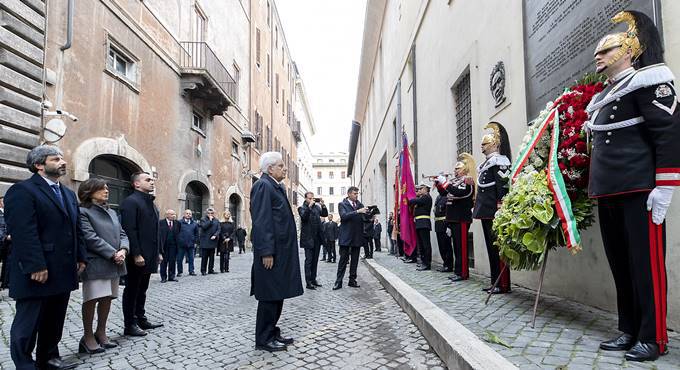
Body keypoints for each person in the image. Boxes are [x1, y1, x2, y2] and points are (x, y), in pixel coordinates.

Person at [587, 11, 679, 362]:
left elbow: (668, 133)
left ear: (629, 50)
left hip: (640, 190)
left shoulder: (647, 80)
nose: (599, 55)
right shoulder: (604, 96)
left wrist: (665, 186)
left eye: (607, 49)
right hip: (610, 191)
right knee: (621, 264)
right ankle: (628, 328)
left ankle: (653, 337)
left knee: (645, 265)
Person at [5, 145, 86, 370]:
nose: (62, 162)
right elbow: (23, 232)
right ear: (39, 165)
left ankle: (49, 358)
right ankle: (24, 364)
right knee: (28, 322)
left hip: (63, 268)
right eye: (55, 159)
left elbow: (76, 229)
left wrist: (81, 257)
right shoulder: (22, 190)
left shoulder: (68, 194)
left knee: (54, 319)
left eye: (62, 157)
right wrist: (35, 265)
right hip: (38, 270)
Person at [250, 152, 303, 352]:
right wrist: (266, 252)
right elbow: (262, 221)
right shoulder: (263, 185)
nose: (285, 168)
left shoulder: (273, 185)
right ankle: (263, 339)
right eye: (281, 165)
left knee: (277, 293)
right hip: (271, 253)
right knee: (269, 296)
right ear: (270, 168)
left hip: (280, 251)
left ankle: (272, 331)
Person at [78, 178, 129, 354]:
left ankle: (101, 332)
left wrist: (123, 250)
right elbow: (90, 237)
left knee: (107, 298)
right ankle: (87, 337)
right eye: (102, 189)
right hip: (97, 262)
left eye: (107, 188)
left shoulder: (112, 212)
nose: (106, 191)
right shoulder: (83, 211)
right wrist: (112, 253)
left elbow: (123, 233)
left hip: (115, 262)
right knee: (92, 299)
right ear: (89, 191)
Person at [120, 172, 163, 337]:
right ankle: (129, 324)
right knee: (132, 289)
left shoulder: (150, 203)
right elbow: (130, 230)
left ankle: (140, 318)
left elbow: (155, 230)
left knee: (143, 289)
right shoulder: (131, 202)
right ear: (136, 184)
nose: (152, 182)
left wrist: (159, 251)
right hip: (137, 256)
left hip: (150, 254)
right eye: (148, 180)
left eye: (152, 180)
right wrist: (136, 254)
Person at [473, 122, 511, 294]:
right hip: (486, 211)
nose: (482, 146)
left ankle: (502, 283)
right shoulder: (487, 163)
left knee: (497, 247)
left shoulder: (499, 161)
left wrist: (501, 207)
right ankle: (495, 281)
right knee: (491, 247)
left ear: (494, 144)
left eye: (485, 143)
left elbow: (502, 186)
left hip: (494, 211)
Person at [437, 153, 476, 282]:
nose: (455, 171)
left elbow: (462, 193)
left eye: (457, 168)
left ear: (464, 169)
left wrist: (446, 184)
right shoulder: (454, 181)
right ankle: (457, 271)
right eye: (455, 168)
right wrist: (439, 183)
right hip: (453, 218)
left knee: (461, 247)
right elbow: (444, 193)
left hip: (461, 218)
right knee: (456, 247)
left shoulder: (467, 180)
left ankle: (463, 273)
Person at [333, 187, 368, 290]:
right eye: (354, 193)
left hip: (357, 236)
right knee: (343, 260)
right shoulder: (342, 204)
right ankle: (338, 282)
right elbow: (344, 217)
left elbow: (364, 219)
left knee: (355, 261)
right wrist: (357, 211)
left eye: (357, 193)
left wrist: (369, 214)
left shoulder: (360, 205)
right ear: (349, 194)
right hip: (346, 237)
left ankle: (352, 280)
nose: (356, 195)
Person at [298, 192, 328, 290]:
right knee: (309, 261)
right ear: (305, 198)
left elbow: (325, 214)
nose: (311, 200)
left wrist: (323, 205)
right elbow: (304, 217)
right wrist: (309, 207)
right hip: (308, 239)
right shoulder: (302, 208)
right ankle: (308, 282)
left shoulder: (317, 207)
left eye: (312, 198)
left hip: (317, 239)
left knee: (315, 261)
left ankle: (313, 279)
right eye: (309, 198)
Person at [409, 184, 433, 271]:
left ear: (426, 189)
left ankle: (427, 263)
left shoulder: (426, 197)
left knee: (425, 244)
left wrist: (411, 196)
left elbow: (412, 201)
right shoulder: (421, 198)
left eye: (421, 189)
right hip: (419, 223)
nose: (419, 190)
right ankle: (423, 262)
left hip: (424, 223)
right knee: (421, 245)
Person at [432, 178, 453, 272]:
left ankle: (449, 265)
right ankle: (445, 263)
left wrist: (449, 226)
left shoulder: (447, 196)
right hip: (438, 224)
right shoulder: (438, 197)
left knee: (447, 246)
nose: (438, 188)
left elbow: (449, 212)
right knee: (441, 246)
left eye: (440, 186)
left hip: (445, 223)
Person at [158, 209, 180, 283]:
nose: (174, 216)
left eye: (174, 214)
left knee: (172, 261)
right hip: (164, 246)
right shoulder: (161, 223)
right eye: (172, 214)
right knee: (163, 262)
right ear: (167, 215)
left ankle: (171, 276)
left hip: (173, 246)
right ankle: (163, 277)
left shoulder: (177, 223)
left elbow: (178, 233)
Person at [177, 209, 199, 277]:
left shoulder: (194, 223)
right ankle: (179, 272)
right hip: (181, 244)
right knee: (179, 259)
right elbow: (176, 233)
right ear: (184, 214)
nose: (188, 215)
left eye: (190, 214)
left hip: (191, 244)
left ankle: (191, 271)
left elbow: (196, 234)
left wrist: (195, 242)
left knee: (191, 259)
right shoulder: (179, 222)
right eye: (187, 213)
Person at [199, 208, 220, 275]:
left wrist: (215, 235)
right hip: (205, 241)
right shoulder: (203, 219)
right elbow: (204, 227)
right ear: (207, 213)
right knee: (204, 257)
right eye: (209, 213)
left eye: (212, 213)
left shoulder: (216, 220)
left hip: (213, 241)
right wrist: (210, 221)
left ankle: (211, 269)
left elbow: (219, 229)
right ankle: (203, 270)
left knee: (212, 257)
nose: (210, 215)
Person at [0, 196, 9, 290]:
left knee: (6, 263)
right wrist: (4, 237)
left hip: (6, 244)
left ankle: (4, 282)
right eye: (3, 201)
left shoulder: (6, 213)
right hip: (2, 241)